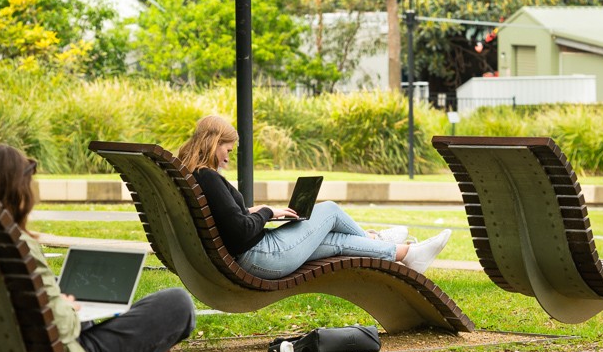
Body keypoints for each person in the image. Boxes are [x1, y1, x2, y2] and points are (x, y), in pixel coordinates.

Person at [0, 144, 198, 352]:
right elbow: (58, 325)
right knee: (176, 303)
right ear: (17, 189)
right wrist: (68, 310)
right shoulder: (15, 245)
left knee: (63, 290)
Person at [176, 115, 452, 280]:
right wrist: (268, 213)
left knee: (337, 241)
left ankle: (407, 254)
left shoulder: (199, 176)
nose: (229, 155)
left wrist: (252, 209)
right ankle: (374, 239)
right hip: (262, 256)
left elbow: (230, 221)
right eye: (228, 148)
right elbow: (239, 233)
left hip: (256, 255)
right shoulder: (208, 178)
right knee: (330, 210)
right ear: (214, 142)